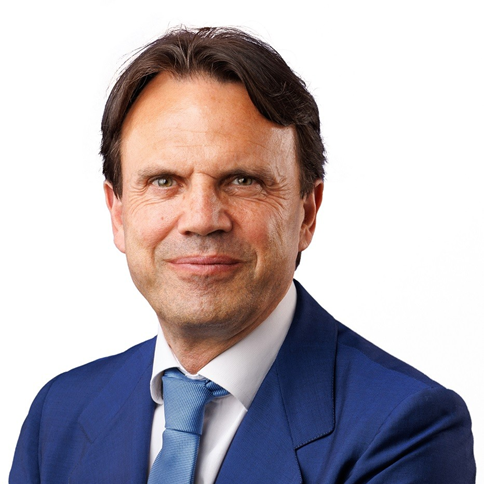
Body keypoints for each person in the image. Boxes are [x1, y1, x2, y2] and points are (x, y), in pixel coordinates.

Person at [10, 26, 475, 483]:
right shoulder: (58, 418)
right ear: (118, 214)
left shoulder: (407, 430)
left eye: (242, 180)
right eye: (164, 181)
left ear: (307, 213)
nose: (201, 219)